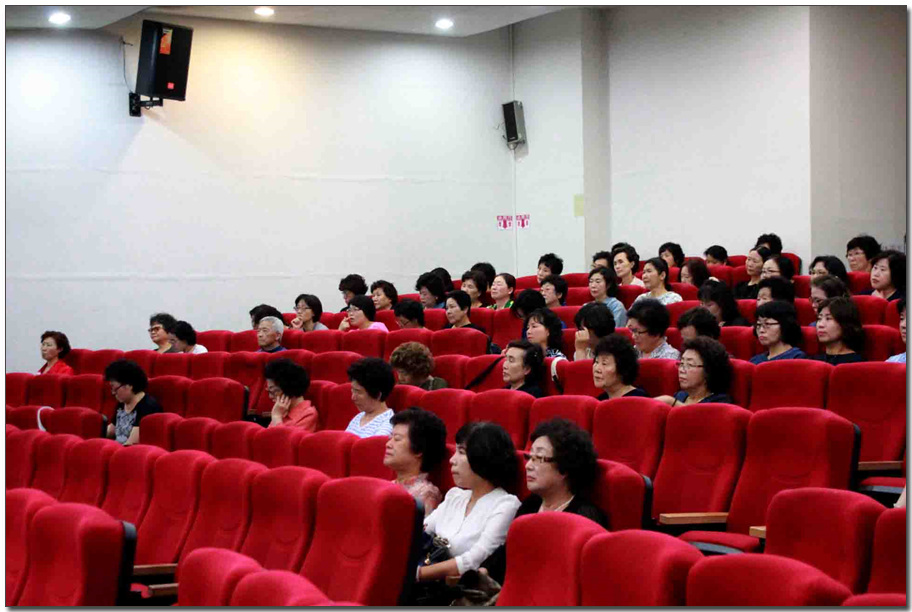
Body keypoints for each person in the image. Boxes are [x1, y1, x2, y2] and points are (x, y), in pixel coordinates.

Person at [418, 422, 520, 582]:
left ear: (483, 456)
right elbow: (422, 530)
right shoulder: (455, 496)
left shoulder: (505, 505)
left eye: (461, 452)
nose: (452, 460)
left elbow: (474, 560)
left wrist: (418, 574)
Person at [385, 408, 447, 516]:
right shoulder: (387, 486)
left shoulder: (425, 494)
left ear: (418, 449)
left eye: (397, 439)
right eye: (390, 438)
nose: (388, 444)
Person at [656, 337, 733, 406]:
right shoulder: (680, 396)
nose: (681, 370)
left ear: (708, 371)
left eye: (690, 364)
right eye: (681, 363)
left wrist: (673, 403)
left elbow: (701, 416)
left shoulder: (720, 402)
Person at [104, 359, 163, 445]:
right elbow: (112, 430)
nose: (113, 393)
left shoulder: (148, 407)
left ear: (129, 385)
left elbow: (131, 443)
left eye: (115, 388)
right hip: (116, 448)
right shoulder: (122, 403)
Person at [344, 357, 396, 438]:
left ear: (377, 395)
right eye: (353, 391)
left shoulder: (388, 424)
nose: (353, 397)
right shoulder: (359, 417)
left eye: (358, 392)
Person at [264, 359, 317, 431]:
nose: (270, 396)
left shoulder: (308, 414)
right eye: (269, 391)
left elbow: (282, 438)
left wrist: (277, 417)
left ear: (290, 388)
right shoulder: (282, 409)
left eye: (274, 391)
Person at [811, 297, 865, 365]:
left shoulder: (855, 363)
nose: (820, 325)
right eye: (819, 318)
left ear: (845, 323)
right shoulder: (815, 361)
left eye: (828, 318)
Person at [592, 335, 648, 399]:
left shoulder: (638, 399)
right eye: (596, 362)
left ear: (622, 369)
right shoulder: (600, 399)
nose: (597, 369)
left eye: (604, 364)